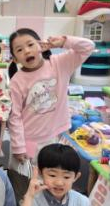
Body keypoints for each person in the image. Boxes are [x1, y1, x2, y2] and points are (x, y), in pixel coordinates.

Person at [8, 29, 94, 165]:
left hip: (59, 135)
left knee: (57, 175)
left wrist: (63, 42)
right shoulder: (16, 81)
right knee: (28, 176)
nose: (27, 51)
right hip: (30, 141)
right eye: (19, 50)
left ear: (41, 45)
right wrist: (18, 147)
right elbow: (14, 116)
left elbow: (88, 46)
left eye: (30, 44)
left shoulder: (59, 63)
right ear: (15, 58)